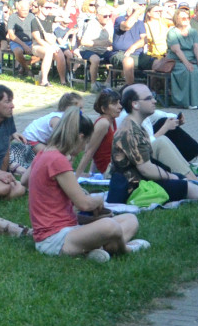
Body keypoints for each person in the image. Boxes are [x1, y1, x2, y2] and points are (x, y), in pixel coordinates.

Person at [29, 107, 146, 262]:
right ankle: (125, 248)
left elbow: (25, 181)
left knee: (130, 219)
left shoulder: (43, 154)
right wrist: (98, 200)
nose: (84, 147)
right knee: (110, 226)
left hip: (67, 230)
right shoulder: (57, 160)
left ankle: (96, 249)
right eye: (85, 142)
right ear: (80, 137)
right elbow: (83, 204)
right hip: (55, 239)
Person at [107, 85, 198, 205]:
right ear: (135, 104)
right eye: (149, 98)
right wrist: (171, 177)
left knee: (181, 179)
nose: (154, 101)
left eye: (153, 97)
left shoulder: (134, 125)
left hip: (137, 183)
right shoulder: (131, 130)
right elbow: (146, 169)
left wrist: (173, 176)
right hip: (134, 189)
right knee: (187, 186)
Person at [165, 7, 198, 110]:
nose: (186, 19)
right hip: (177, 61)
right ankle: (187, 102)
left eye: (187, 18)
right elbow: (177, 50)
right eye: (183, 18)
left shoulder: (193, 32)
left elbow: (196, 47)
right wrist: (186, 63)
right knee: (188, 71)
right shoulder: (172, 32)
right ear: (177, 19)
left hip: (192, 60)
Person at [74, 88, 120, 177]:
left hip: (114, 165)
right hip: (110, 170)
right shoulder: (103, 123)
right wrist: (77, 177)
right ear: (103, 108)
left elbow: (98, 148)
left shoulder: (112, 121)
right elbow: (89, 151)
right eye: (115, 104)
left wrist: (91, 173)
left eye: (119, 102)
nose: (120, 106)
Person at [111, 0, 148, 87]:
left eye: (143, 5)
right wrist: (136, 12)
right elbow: (126, 26)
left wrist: (134, 47)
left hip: (138, 54)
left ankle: (154, 91)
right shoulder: (119, 19)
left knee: (157, 62)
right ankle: (131, 88)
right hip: (120, 54)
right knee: (128, 61)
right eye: (139, 6)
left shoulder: (140, 23)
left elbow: (145, 39)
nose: (141, 8)